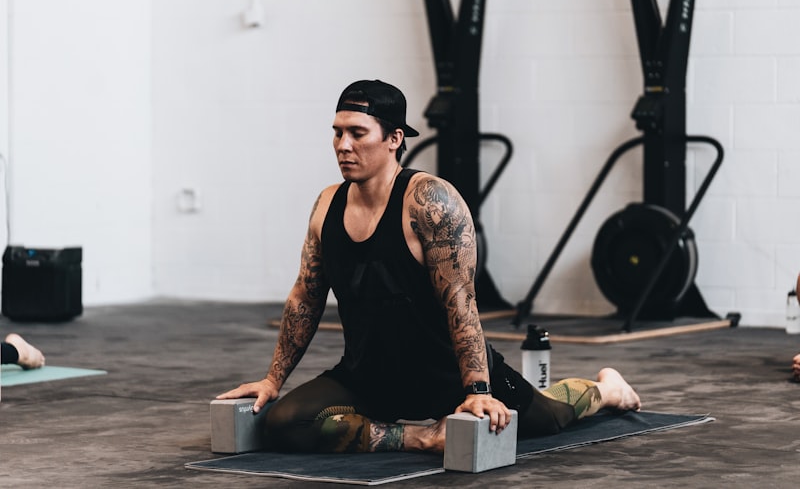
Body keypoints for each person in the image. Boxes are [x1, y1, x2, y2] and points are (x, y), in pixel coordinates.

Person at [217, 79, 641, 454]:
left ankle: (607, 390)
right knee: (286, 423)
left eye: (357, 133)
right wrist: (273, 380)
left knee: (550, 417)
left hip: (449, 376)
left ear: (394, 138)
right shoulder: (327, 205)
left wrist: (477, 390)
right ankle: (423, 437)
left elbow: (461, 301)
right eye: (337, 132)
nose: (343, 145)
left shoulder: (430, 202)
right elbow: (305, 298)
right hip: (369, 378)